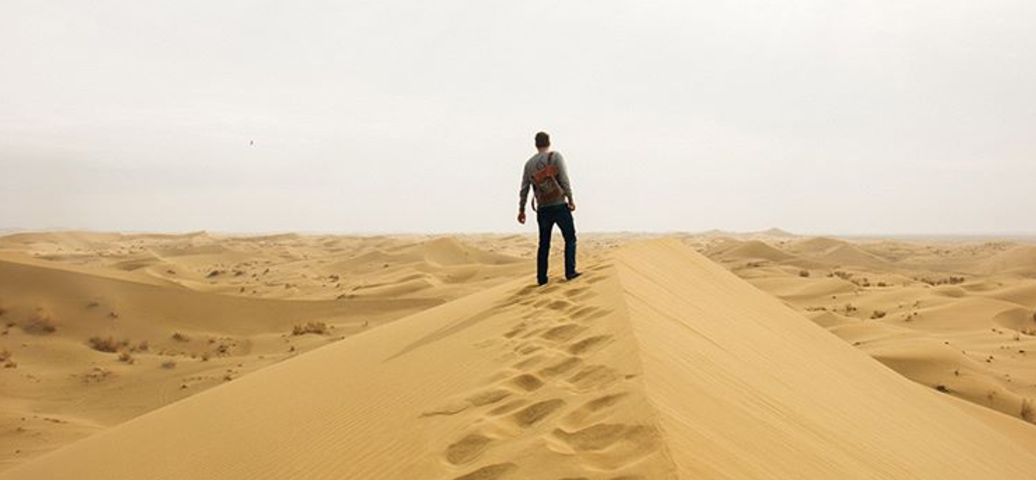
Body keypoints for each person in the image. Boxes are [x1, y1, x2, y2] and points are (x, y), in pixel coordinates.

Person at [518, 131, 580, 286]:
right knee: (570, 238)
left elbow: (524, 189)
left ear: (536, 144)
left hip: (543, 209)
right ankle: (570, 272)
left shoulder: (529, 164)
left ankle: (542, 278)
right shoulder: (555, 157)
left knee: (544, 244)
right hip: (559, 205)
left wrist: (522, 210)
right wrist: (571, 199)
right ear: (549, 142)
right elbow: (564, 180)